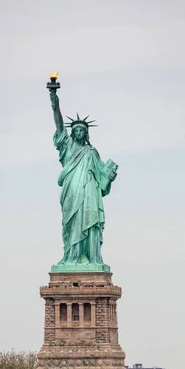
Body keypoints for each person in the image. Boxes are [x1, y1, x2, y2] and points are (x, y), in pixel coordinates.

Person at [49, 86, 118, 266]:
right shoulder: (68, 146)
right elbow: (58, 124)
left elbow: (103, 175)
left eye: (82, 130)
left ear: (86, 133)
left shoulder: (91, 152)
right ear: (72, 133)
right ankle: (71, 256)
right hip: (72, 190)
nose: (79, 132)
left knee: (89, 222)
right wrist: (54, 102)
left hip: (89, 194)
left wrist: (109, 175)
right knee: (71, 223)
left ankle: (89, 256)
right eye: (76, 130)